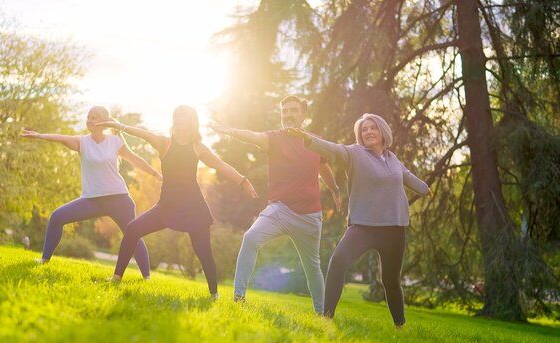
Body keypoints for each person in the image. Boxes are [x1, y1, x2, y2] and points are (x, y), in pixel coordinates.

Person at [98, 105, 258, 299]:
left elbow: (220, 165)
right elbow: (142, 133)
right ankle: (116, 278)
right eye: (176, 115)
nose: (178, 118)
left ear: (192, 121)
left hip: (194, 210)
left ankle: (214, 295)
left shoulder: (197, 147)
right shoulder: (165, 142)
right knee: (132, 230)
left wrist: (243, 180)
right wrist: (120, 126)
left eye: (183, 115)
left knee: (203, 253)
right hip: (166, 207)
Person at [287, 113, 431, 328]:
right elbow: (334, 149)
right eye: (364, 129)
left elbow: (407, 176)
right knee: (337, 262)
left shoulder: (392, 159)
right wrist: (308, 140)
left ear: (383, 132)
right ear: (360, 135)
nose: (369, 132)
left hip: (394, 228)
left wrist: (424, 188)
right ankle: (326, 318)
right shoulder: (354, 154)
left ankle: (400, 325)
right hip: (363, 227)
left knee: (391, 281)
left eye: (373, 128)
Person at [210, 95, 341, 314]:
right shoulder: (274, 138)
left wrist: (335, 189)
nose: (288, 115)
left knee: (312, 267)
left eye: (293, 110)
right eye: (285, 111)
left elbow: (324, 168)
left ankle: (323, 315)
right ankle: (238, 298)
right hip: (279, 210)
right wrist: (230, 131)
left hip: (309, 217)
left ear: (303, 114)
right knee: (250, 238)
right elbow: (252, 136)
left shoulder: (315, 142)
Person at [21, 106, 159, 279]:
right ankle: (44, 260)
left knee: (133, 234)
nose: (89, 120)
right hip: (92, 200)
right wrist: (40, 136)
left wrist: (156, 175)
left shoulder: (115, 141)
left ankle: (146, 277)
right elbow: (61, 138)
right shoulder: (82, 142)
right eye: (88, 117)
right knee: (57, 217)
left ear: (103, 121)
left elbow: (135, 159)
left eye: (93, 117)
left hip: (119, 199)